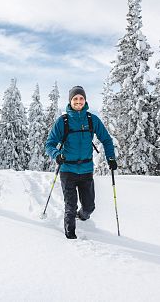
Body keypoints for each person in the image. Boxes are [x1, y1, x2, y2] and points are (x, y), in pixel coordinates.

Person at [46, 86, 117, 239]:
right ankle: (70, 237)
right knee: (70, 207)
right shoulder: (63, 121)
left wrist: (110, 157)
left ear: (85, 100)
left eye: (81, 98)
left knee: (89, 207)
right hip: (67, 170)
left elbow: (106, 139)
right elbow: (50, 144)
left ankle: (82, 217)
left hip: (86, 170)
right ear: (70, 101)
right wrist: (56, 154)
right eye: (75, 98)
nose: (78, 101)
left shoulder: (92, 119)